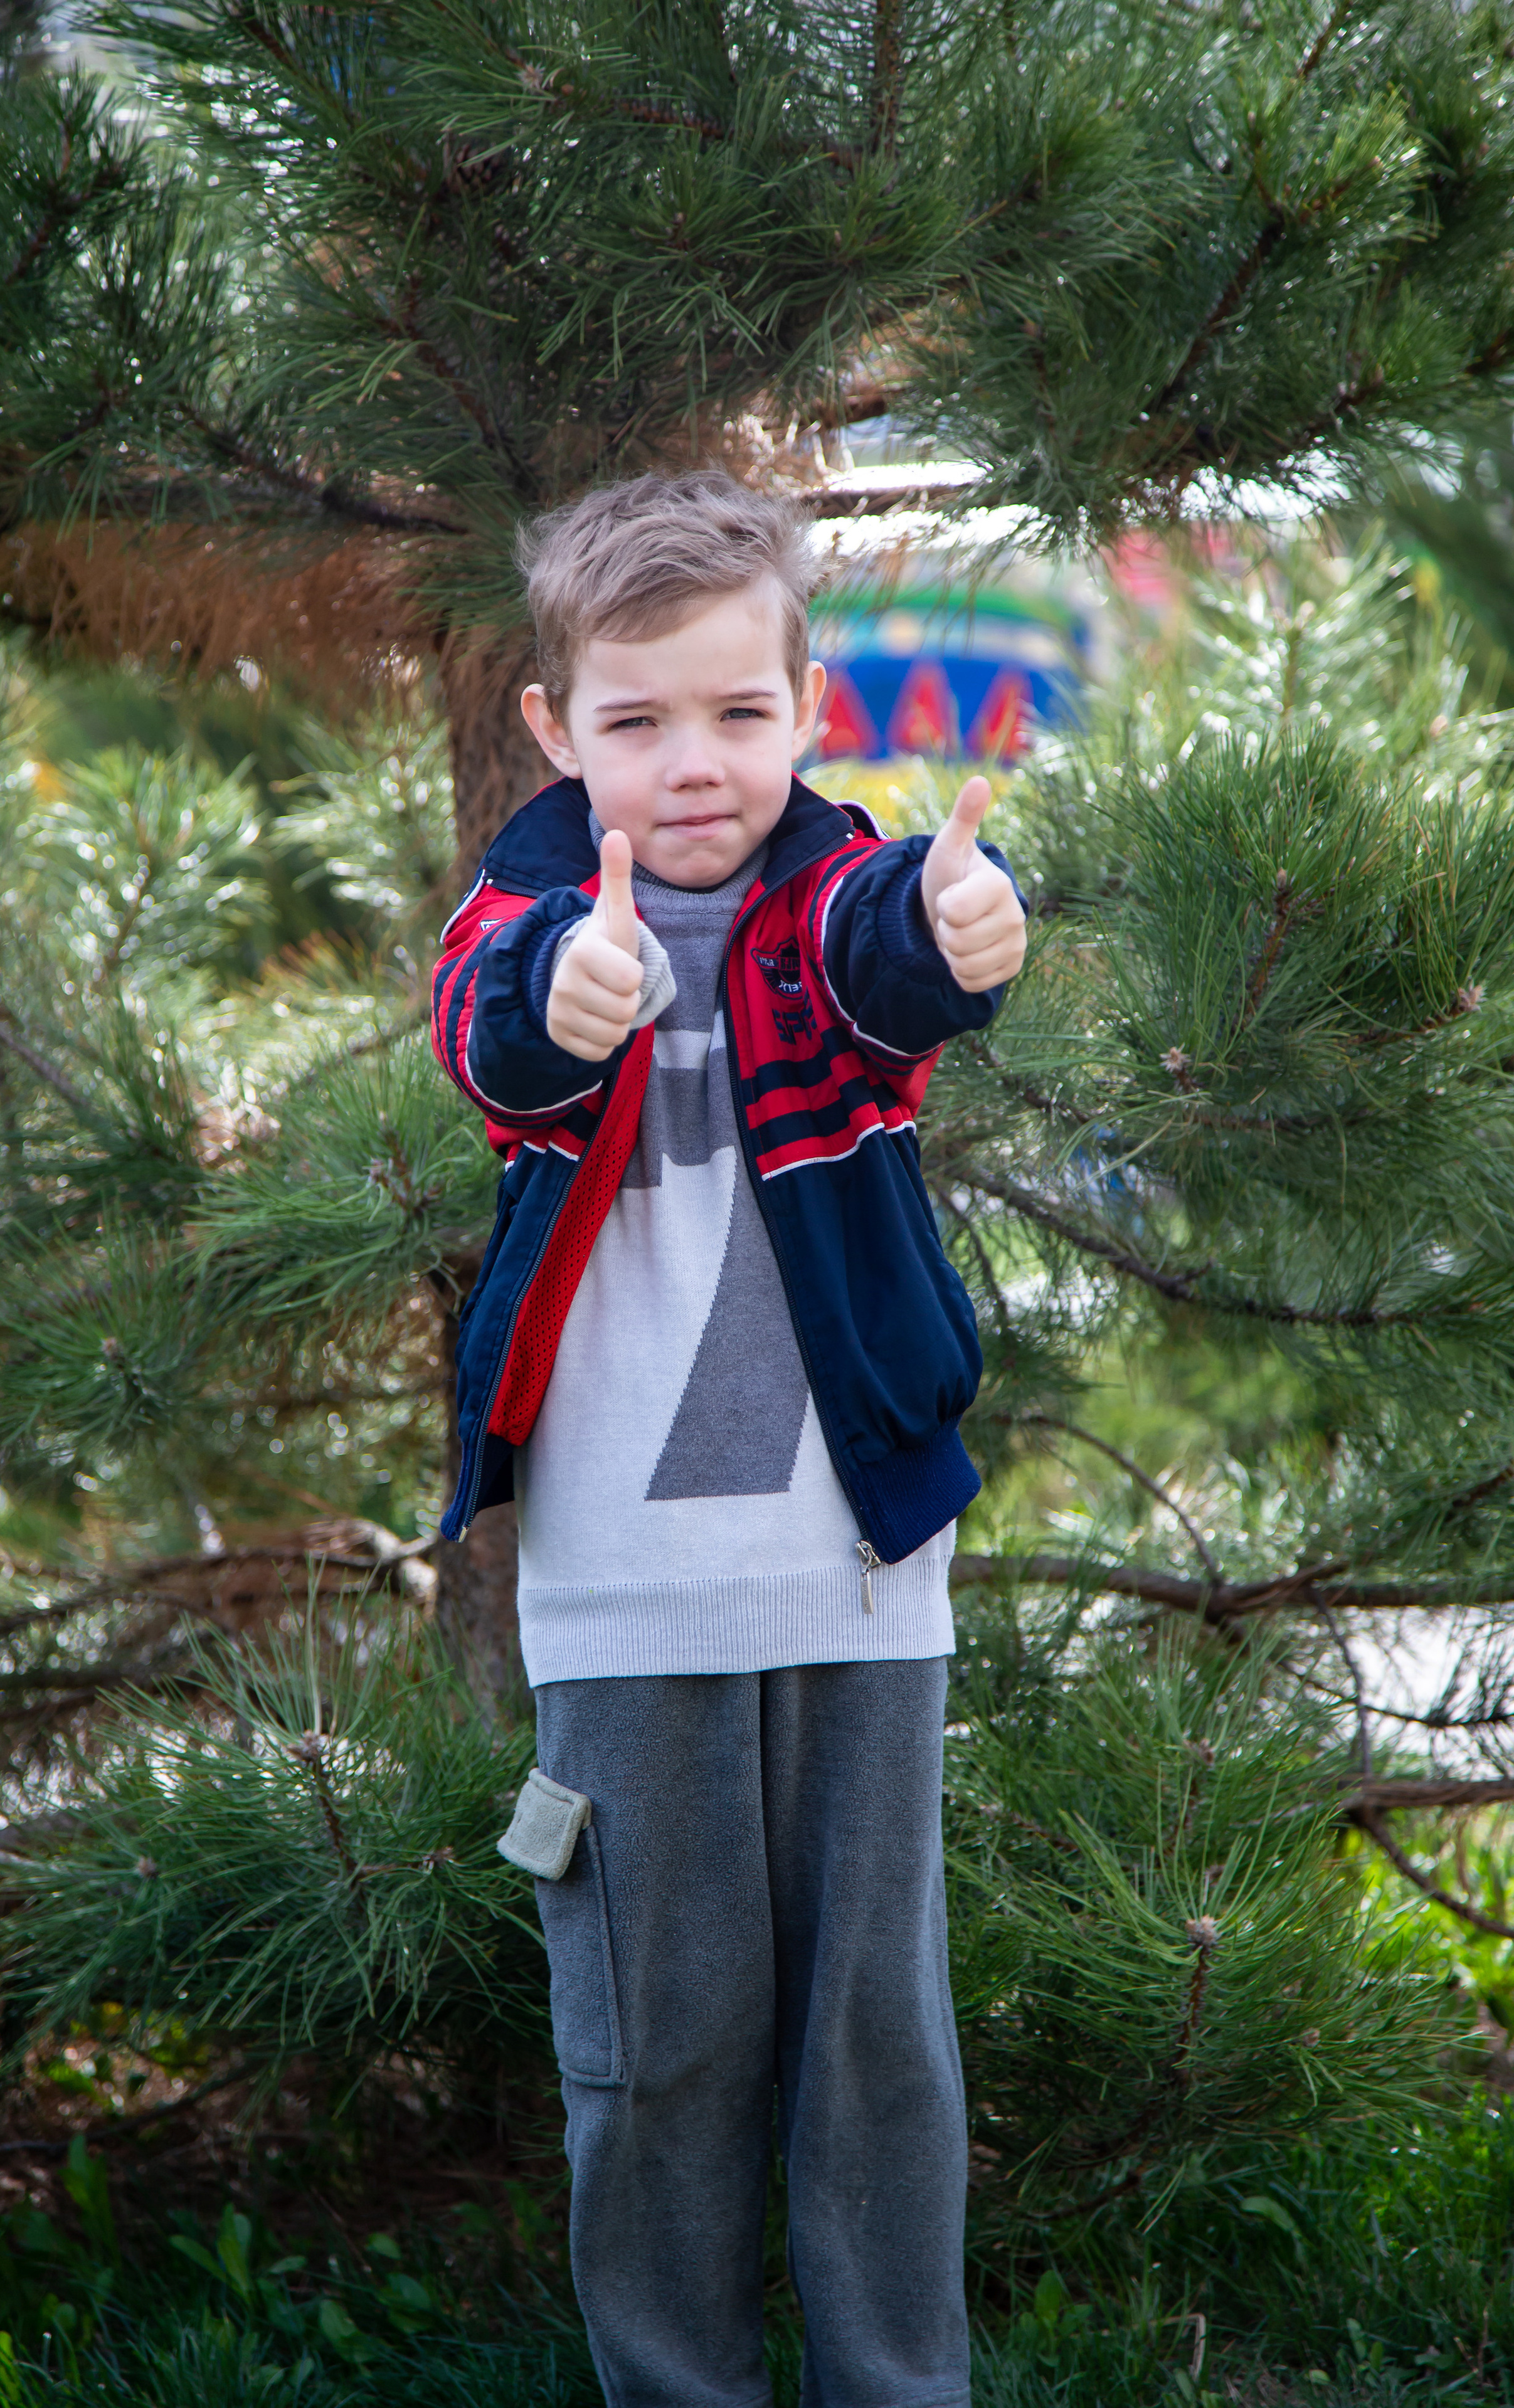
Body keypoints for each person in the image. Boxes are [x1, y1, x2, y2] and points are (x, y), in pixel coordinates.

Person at [430, 470, 1028, 2408]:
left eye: (740, 715)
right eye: (637, 722)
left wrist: (957, 923)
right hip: (621, 1600)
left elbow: (884, 961)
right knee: (653, 2053)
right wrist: (563, 995)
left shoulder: (832, 899)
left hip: (861, 1579)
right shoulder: (525, 919)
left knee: (876, 2049)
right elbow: (490, 1028)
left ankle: (898, 2389)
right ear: (554, 730)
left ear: (808, 712)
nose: (695, 765)